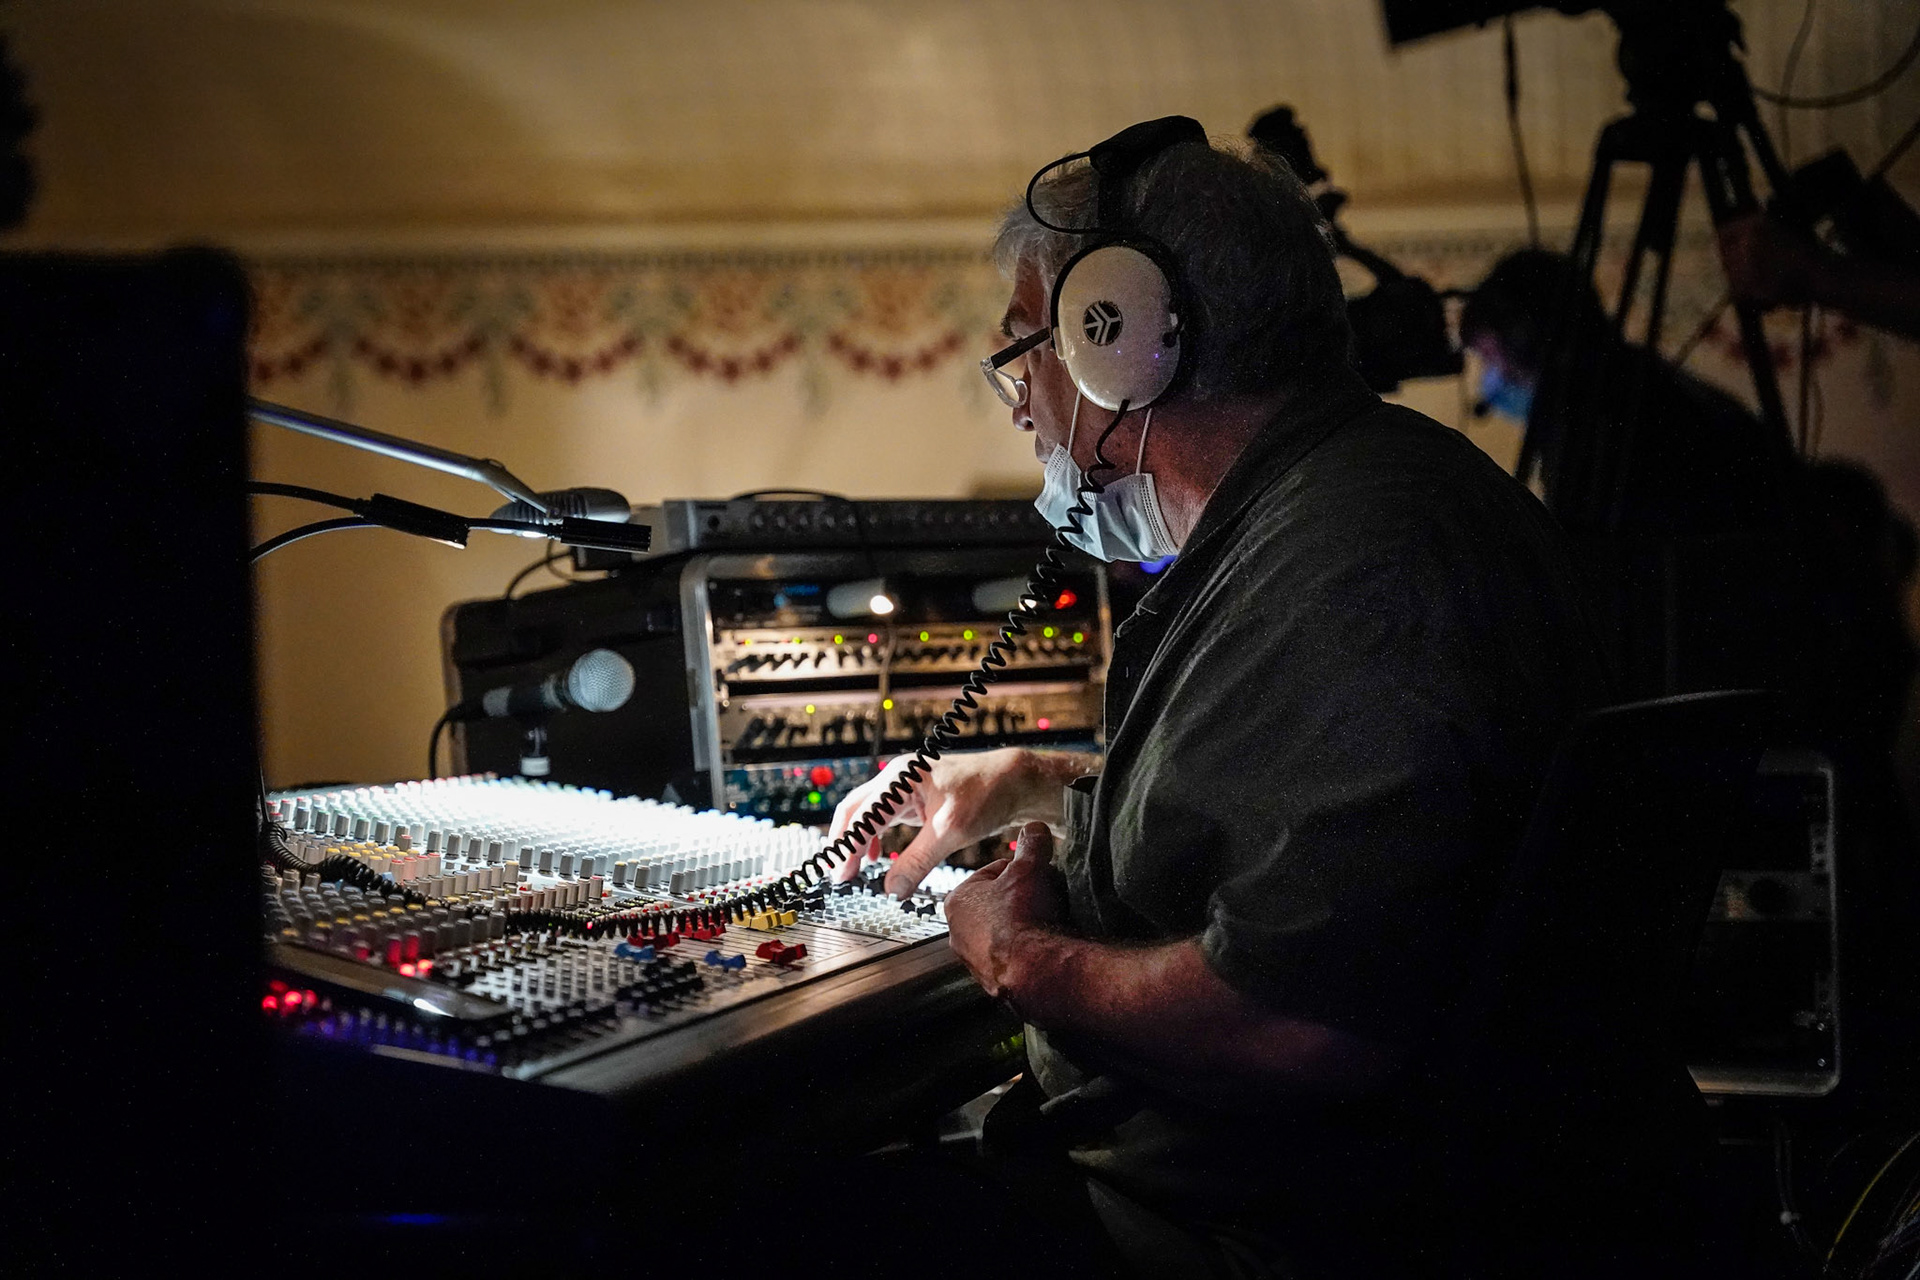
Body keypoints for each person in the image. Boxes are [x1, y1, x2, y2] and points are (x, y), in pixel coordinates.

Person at [825, 124, 1701, 1277]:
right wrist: (1044, 781)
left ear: (1125, 340)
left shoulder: (1359, 570)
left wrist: (1020, 956)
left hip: (1270, 1234)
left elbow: (1299, 1024)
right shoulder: (1368, 499)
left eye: (1028, 341)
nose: (1020, 395)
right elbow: (1321, 816)